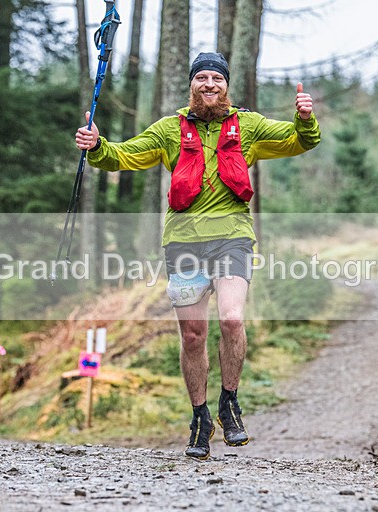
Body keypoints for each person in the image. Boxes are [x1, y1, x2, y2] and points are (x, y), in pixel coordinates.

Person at [75, 52, 320, 459]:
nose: (209, 84)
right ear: (191, 84)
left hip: (232, 238)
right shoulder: (169, 130)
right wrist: (97, 145)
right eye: (201, 77)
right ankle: (200, 418)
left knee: (232, 318)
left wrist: (305, 118)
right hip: (184, 243)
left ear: (226, 85)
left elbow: (300, 140)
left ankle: (229, 402)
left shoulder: (249, 126)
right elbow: (124, 155)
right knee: (192, 336)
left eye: (216, 78)